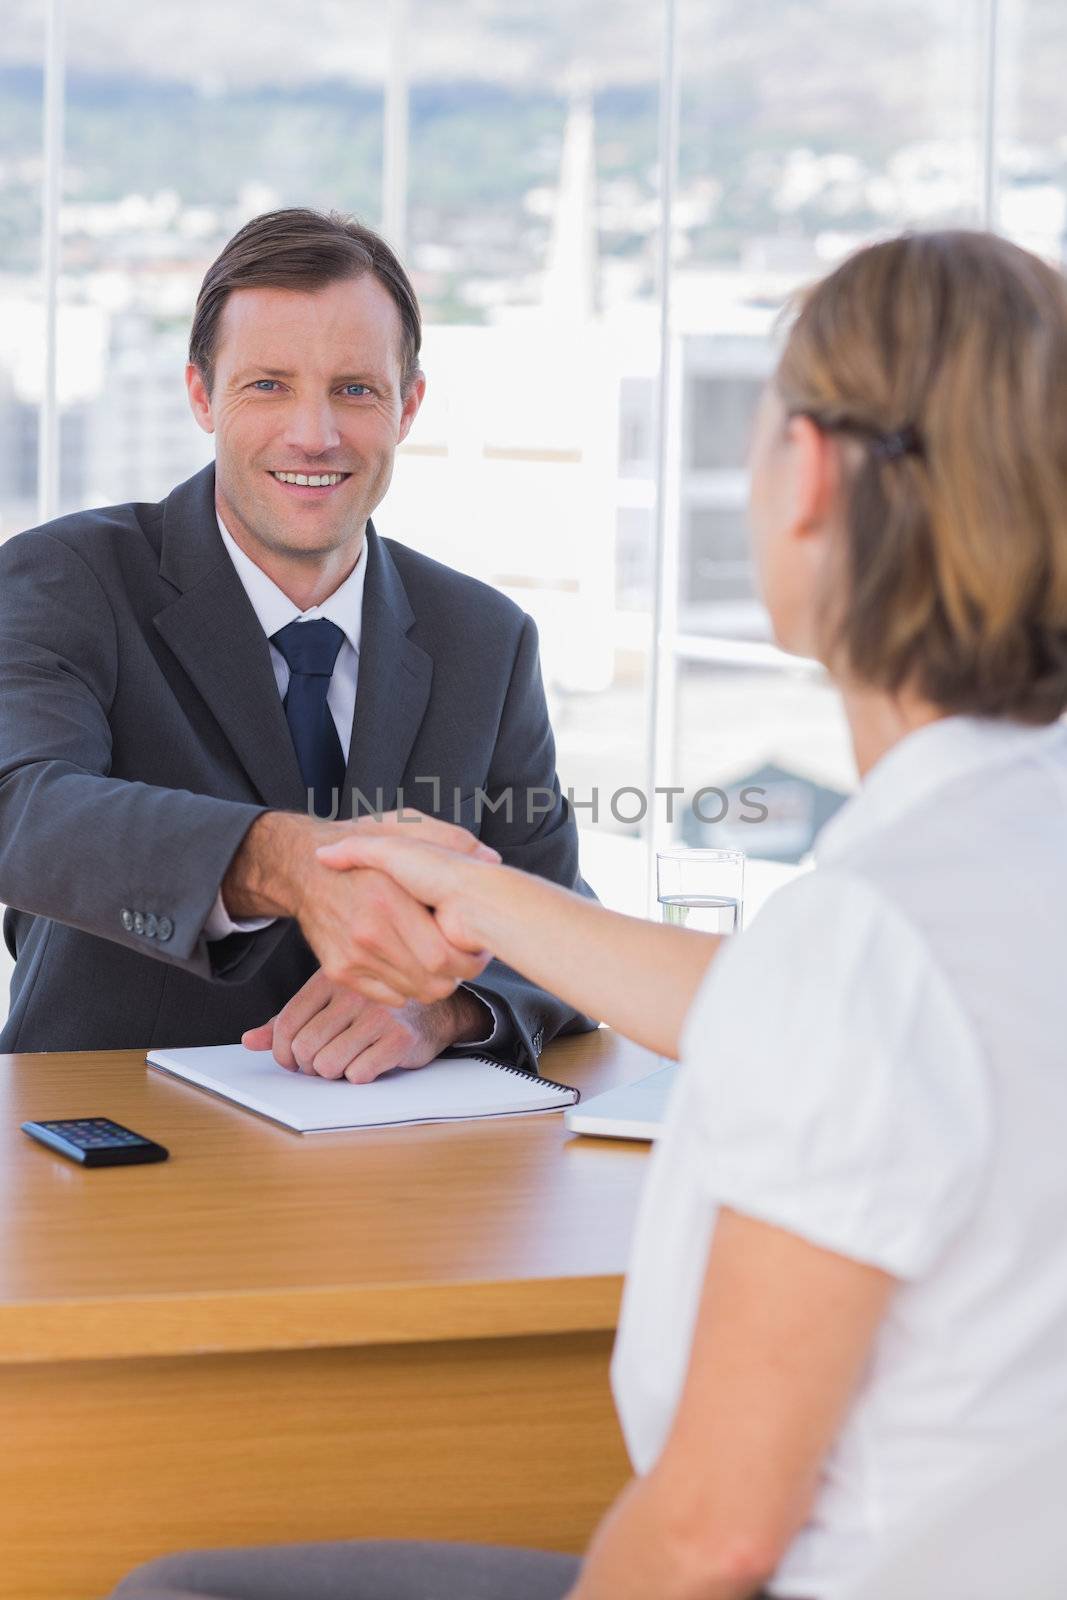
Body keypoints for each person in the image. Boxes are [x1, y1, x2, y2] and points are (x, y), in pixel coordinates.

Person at [116, 227, 1067, 1600]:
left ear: (801, 476)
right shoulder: (983, 864)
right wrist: (479, 896)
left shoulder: (869, 936)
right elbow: (789, 1005)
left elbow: (712, 1536)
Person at [0, 207, 595, 1075]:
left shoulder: (485, 639)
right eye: (267, 385)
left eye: (355, 388)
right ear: (201, 395)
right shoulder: (68, 578)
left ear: (408, 405)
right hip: (116, 1140)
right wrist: (284, 860)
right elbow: (20, 806)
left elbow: (554, 911)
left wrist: (449, 1007)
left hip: (405, 1164)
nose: (314, 435)